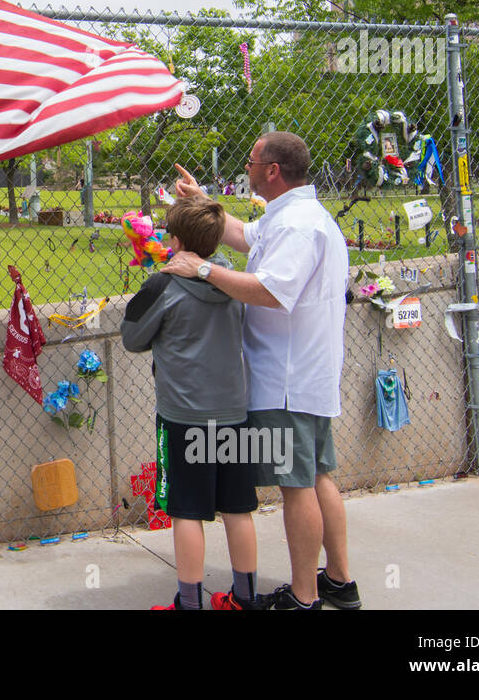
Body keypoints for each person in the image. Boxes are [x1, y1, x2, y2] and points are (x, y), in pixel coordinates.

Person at [166, 132, 361, 610]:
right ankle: (339, 579)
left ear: (272, 169)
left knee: (297, 487)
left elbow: (271, 291)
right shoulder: (296, 217)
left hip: (287, 380)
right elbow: (244, 234)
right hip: (307, 375)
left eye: (252, 160)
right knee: (318, 477)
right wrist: (203, 203)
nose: (247, 166)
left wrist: (203, 270)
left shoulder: (297, 227)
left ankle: (304, 596)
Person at [121, 197, 258, 611]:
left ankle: (190, 602)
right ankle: (247, 598)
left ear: (176, 240)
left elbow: (132, 338)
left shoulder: (161, 285)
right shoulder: (232, 280)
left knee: (187, 511)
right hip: (235, 411)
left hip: (183, 417)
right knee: (238, 508)